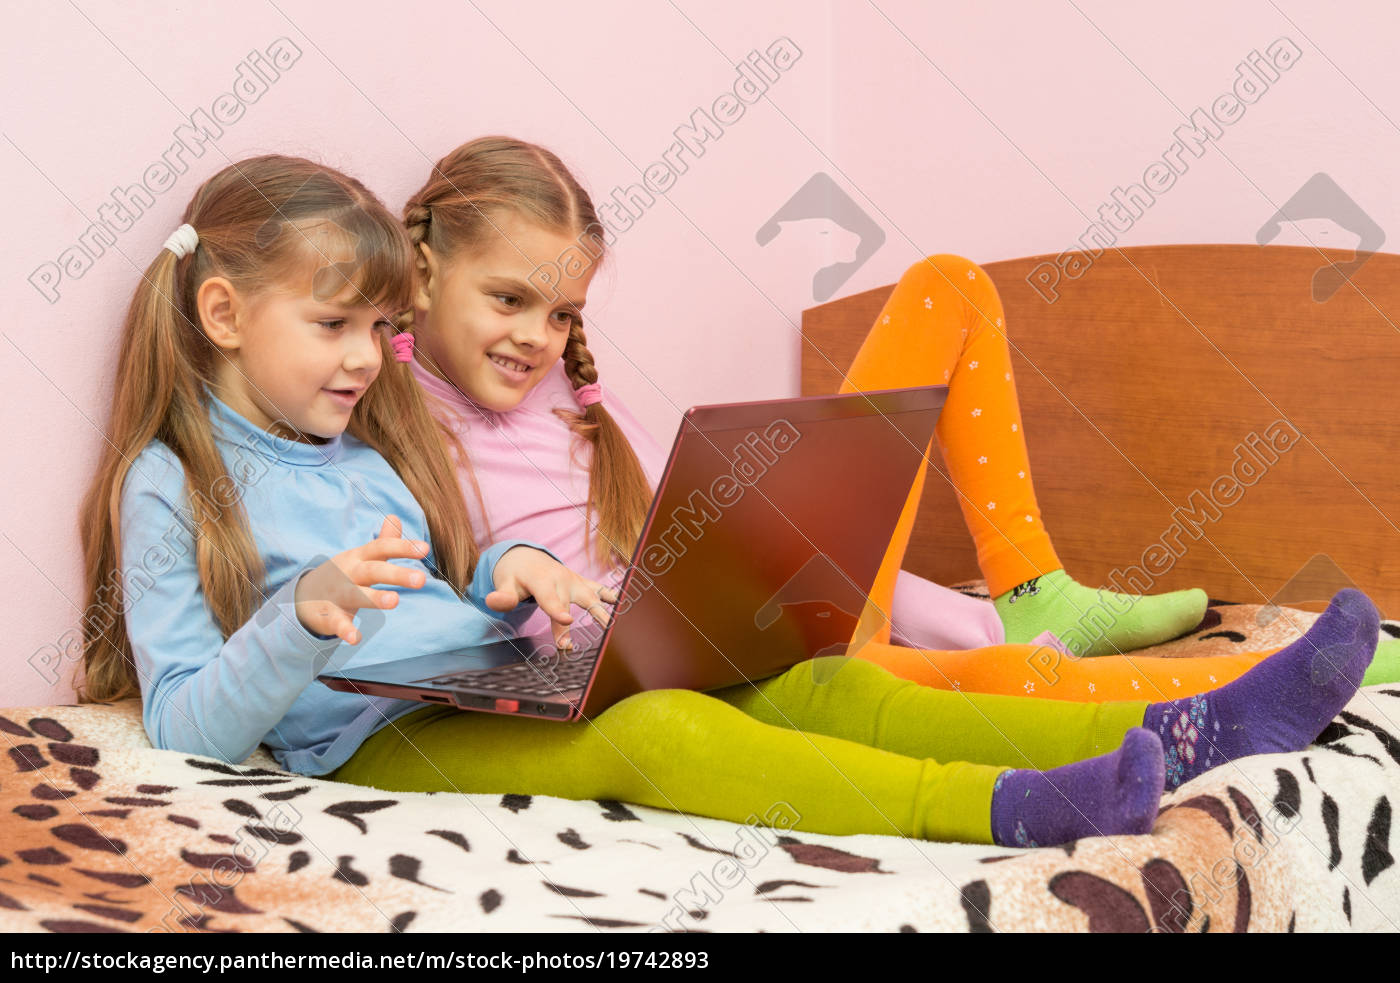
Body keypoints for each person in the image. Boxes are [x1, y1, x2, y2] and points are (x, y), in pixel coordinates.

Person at [79, 153, 1378, 851]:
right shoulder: (170, 482)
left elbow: (423, 599)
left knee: (816, 680)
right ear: (222, 312)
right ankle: (1008, 809)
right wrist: (301, 617)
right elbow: (192, 721)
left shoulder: (353, 451)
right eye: (337, 325)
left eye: (378, 326)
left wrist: (502, 589)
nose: (368, 357)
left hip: (489, 672)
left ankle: (1207, 725)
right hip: (357, 737)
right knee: (672, 738)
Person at [396, 135, 1400, 703]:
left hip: (767, 626)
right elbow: (432, 629)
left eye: (561, 310)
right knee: (1006, 682)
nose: (535, 335)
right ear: (425, 265)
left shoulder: (583, 412)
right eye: (508, 299)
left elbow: (751, 552)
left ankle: (1029, 585)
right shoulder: (389, 427)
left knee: (947, 287)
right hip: (715, 676)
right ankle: (1288, 668)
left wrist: (935, 607)